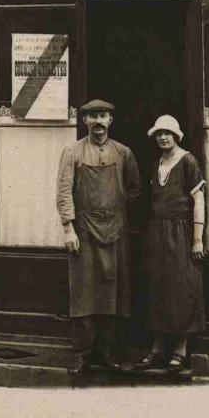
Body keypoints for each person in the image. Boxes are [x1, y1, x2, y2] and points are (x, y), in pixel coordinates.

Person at [56, 99, 142, 374]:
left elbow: (135, 190)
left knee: (113, 294)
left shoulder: (124, 153)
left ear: (111, 120)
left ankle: (107, 352)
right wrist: (68, 228)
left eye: (103, 116)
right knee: (84, 293)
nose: (98, 122)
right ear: (84, 121)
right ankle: (82, 354)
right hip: (83, 232)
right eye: (92, 116)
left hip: (116, 231)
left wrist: (117, 215)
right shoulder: (72, 152)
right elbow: (63, 191)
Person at [134, 114, 207, 372]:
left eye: (168, 133)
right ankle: (157, 349)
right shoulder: (157, 163)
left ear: (176, 135)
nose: (163, 137)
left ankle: (180, 350)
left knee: (181, 288)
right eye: (159, 134)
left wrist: (197, 239)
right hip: (157, 232)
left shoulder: (188, 161)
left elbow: (199, 201)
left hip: (181, 232)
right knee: (158, 287)